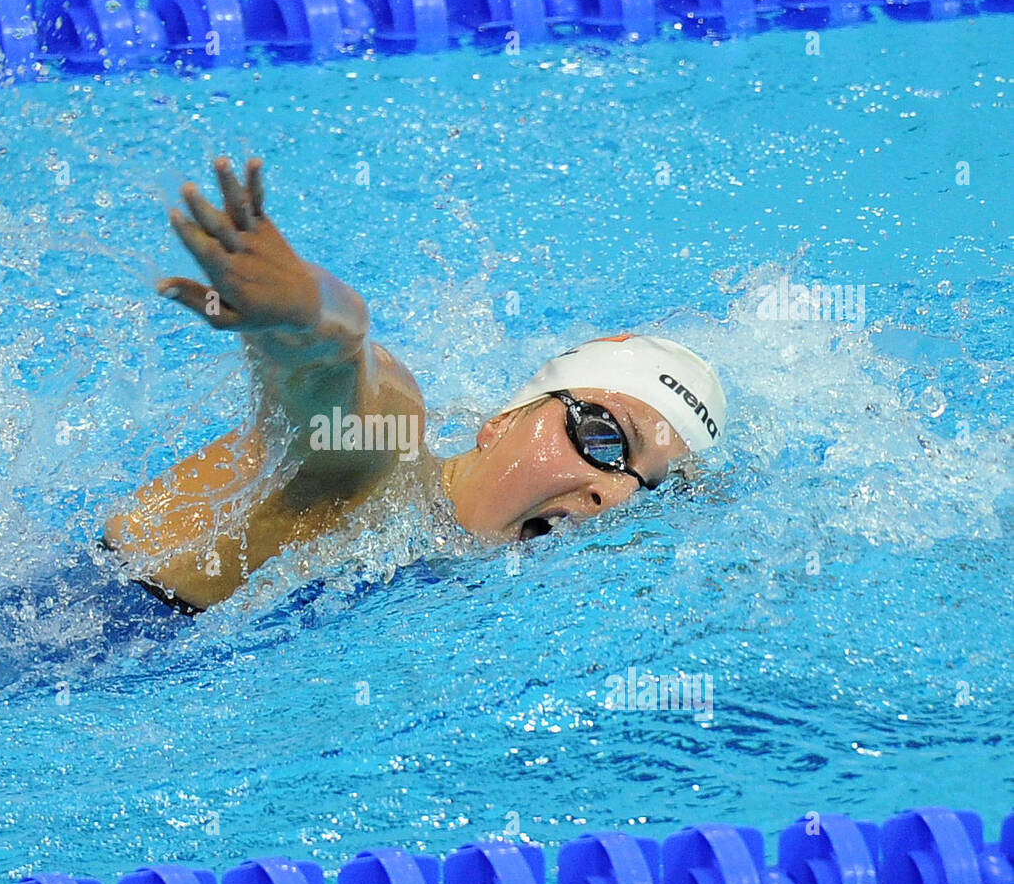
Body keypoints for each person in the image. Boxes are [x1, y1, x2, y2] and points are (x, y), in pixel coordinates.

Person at [102, 157, 726, 613]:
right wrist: (300, 317)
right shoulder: (385, 468)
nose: (614, 498)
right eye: (607, 439)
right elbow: (338, 369)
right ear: (502, 421)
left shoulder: (448, 581)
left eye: (653, 493)